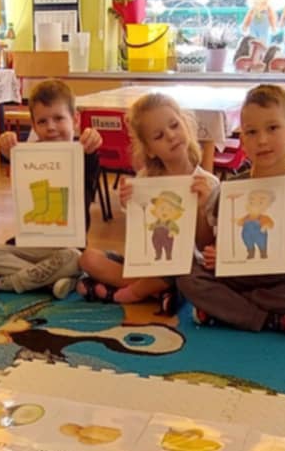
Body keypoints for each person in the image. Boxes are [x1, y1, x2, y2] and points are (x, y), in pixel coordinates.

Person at [180, 84, 285, 338]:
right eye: (251, 132)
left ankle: (231, 310)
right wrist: (215, 250)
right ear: (242, 141)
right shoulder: (232, 188)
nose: (262, 140)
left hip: (282, 279)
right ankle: (272, 319)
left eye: (272, 128)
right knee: (187, 277)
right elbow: (210, 244)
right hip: (235, 277)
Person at [74, 91, 217, 312]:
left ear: (186, 125)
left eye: (174, 125)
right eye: (158, 136)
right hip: (151, 264)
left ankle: (133, 292)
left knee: (183, 272)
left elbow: (205, 246)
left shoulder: (208, 183)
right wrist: (129, 203)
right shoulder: (145, 181)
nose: (171, 136)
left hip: (185, 267)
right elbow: (140, 240)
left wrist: (201, 208)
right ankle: (157, 291)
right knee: (87, 259)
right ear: (149, 150)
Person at [0, 79, 104, 296]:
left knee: (75, 259)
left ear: (75, 120)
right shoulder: (28, 156)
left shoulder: (84, 155)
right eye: (42, 121)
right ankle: (49, 281)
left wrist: (92, 143)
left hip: (66, 247)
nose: (51, 127)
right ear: (34, 126)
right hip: (30, 245)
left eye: (59, 118)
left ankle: (10, 282)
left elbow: (92, 159)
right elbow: (13, 160)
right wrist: (8, 149)